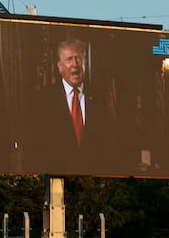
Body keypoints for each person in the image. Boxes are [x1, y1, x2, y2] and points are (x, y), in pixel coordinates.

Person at [27, 38, 112, 175]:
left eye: (78, 59)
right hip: (56, 177)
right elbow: (35, 148)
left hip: (94, 181)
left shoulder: (99, 97)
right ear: (60, 67)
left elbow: (108, 142)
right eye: (69, 59)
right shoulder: (43, 99)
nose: (75, 64)